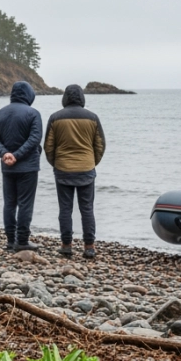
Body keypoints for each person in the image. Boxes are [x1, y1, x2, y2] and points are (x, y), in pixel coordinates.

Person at [43, 84, 105, 259]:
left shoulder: (55, 118)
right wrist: (92, 163)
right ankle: (89, 246)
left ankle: (66, 245)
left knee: (65, 209)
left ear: (65, 98)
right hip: (86, 168)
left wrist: (56, 163)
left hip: (63, 169)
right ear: (82, 98)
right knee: (87, 209)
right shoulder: (93, 118)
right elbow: (100, 145)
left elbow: (48, 146)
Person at [0, 82, 43, 251]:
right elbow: (34, 138)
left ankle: (11, 240)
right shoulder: (33, 113)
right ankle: (22, 241)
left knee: (9, 203)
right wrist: (17, 155)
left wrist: (4, 154)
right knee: (25, 204)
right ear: (29, 95)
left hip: (7, 166)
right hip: (28, 167)